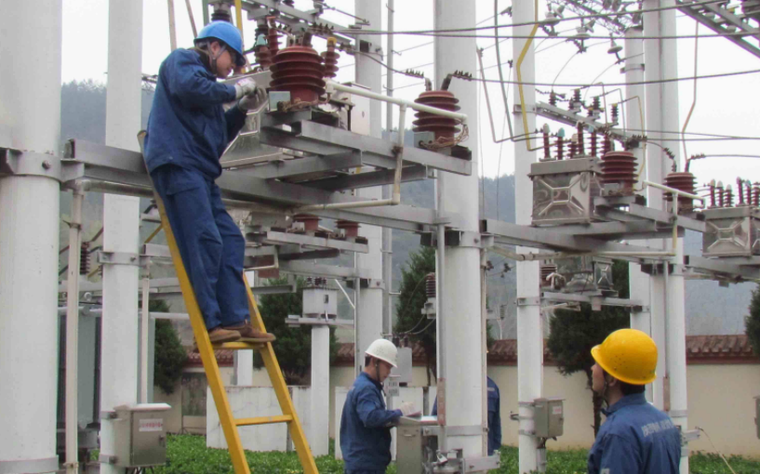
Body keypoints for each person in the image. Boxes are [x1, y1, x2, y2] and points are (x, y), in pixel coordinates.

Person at [143, 20, 273, 344]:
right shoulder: (182, 62)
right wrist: (235, 91)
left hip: (200, 170)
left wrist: (241, 110)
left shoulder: (210, 92)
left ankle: (234, 318)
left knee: (230, 239)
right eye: (233, 59)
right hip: (178, 164)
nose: (232, 71)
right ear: (214, 47)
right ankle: (212, 323)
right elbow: (192, 89)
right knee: (205, 238)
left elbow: (217, 137)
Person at [587, 328, 682, 474]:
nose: (592, 368)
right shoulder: (664, 421)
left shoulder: (618, 432)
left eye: (598, 364)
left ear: (612, 379)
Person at [340, 339, 418, 474]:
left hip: (361, 464)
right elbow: (371, 417)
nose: (388, 372)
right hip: (365, 467)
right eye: (387, 366)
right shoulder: (366, 388)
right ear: (375, 361)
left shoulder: (362, 385)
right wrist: (399, 413)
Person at [430, 376, 502, 455]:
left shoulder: (451, 384)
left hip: (453, 448)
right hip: (484, 449)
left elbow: (437, 416)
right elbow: (496, 421)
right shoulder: (492, 386)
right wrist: (494, 445)